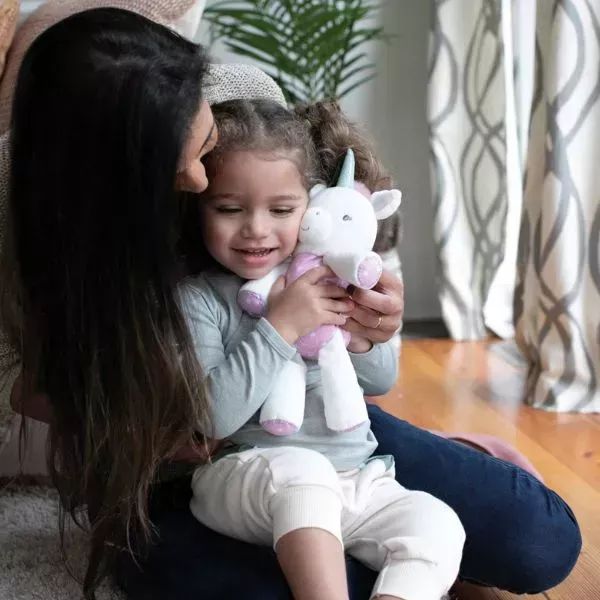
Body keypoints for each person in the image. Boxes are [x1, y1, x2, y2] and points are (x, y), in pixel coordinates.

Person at [0, 6, 581, 600]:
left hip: (326, 429)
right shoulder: (38, 224)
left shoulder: (237, 99)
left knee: (538, 542)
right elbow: (28, 391)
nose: (200, 181)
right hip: (187, 473)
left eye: (206, 143)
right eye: (180, 163)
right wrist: (148, 433)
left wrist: (376, 318)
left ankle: (440, 489)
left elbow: (337, 218)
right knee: (306, 575)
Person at [179, 97, 465, 600]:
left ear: (312, 208)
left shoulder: (328, 279)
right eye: (229, 209)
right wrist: (281, 326)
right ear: (200, 209)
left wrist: (362, 326)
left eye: (281, 210)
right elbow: (213, 418)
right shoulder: (201, 298)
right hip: (248, 473)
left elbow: (380, 380)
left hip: (353, 476)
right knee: (305, 474)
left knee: (436, 522)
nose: (256, 228)